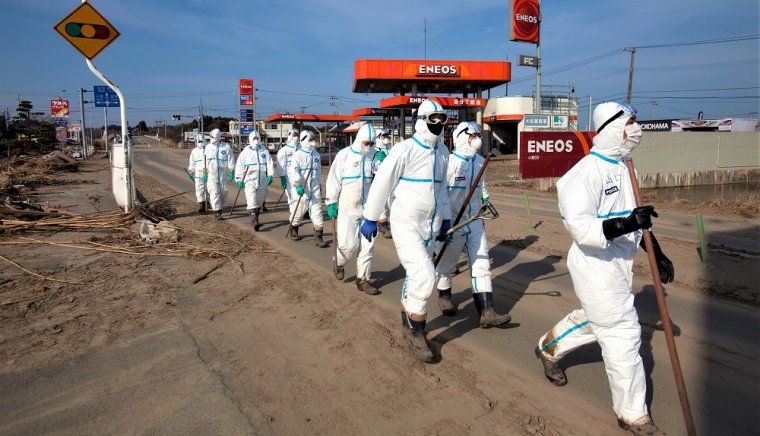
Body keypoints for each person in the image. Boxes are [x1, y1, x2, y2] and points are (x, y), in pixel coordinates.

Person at [534, 102, 673, 436]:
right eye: (631, 122)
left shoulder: (624, 168)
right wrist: (626, 223)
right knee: (622, 334)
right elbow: (581, 229)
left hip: (619, 265)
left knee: (598, 320)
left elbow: (635, 221)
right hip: (595, 265)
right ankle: (633, 414)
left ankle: (548, 347)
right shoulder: (581, 175)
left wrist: (656, 250)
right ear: (611, 127)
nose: (636, 128)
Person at [360, 99, 452, 363]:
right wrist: (371, 217)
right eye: (434, 119)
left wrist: (445, 220)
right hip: (406, 223)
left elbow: (441, 190)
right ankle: (416, 331)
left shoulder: (443, 152)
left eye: (443, 119)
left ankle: (407, 315)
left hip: (431, 225)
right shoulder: (404, 150)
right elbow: (382, 184)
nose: (439, 125)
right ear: (421, 120)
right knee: (425, 276)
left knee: (417, 275)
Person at [434, 121, 511, 327]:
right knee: (446, 264)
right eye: (471, 135)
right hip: (453, 224)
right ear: (461, 137)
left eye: (477, 135)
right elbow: (439, 195)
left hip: (475, 221)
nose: (475, 139)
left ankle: (486, 311)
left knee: (482, 265)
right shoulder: (448, 163)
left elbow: (481, 185)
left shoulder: (479, 161)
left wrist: (485, 199)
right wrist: (441, 225)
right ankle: (444, 297)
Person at [325, 122, 379, 295]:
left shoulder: (375, 156)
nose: (368, 146)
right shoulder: (344, 155)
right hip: (348, 208)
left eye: (371, 144)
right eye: (366, 143)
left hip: (368, 209)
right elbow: (333, 179)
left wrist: (384, 161)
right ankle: (338, 261)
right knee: (349, 246)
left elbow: (384, 178)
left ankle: (363, 279)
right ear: (359, 140)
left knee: (367, 246)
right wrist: (331, 201)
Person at [287, 130, 328, 247]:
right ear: (303, 140)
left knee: (317, 212)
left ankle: (319, 237)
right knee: (298, 214)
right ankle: (294, 227)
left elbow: (319, 172)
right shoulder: (297, 155)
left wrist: (319, 185)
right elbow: (293, 171)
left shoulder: (316, 155)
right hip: (301, 189)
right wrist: (297, 184)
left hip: (314, 189)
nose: (313, 142)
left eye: (313, 139)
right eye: (310, 140)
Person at [234, 130, 274, 230]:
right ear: (250, 139)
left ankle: (254, 217)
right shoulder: (245, 152)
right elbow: (239, 166)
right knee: (251, 199)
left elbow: (269, 163)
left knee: (259, 201)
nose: (256, 140)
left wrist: (270, 175)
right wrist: (239, 179)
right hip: (249, 180)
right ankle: (256, 221)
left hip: (262, 180)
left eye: (257, 138)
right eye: (254, 139)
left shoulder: (264, 150)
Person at [204, 128, 235, 220]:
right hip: (211, 174)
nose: (211, 138)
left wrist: (231, 171)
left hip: (223, 175)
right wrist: (204, 173)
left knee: (224, 194)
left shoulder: (226, 147)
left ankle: (218, 205)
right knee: (214, 193)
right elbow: (204, 161)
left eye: (212, 136)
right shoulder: (208, 147)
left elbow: (231, 160)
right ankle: (217, 212)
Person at [372, 128, 394, 239]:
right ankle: (384, 225)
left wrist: (387, 160)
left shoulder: (392, 149)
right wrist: (378, 162)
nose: (386, 138)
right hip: (378, 179)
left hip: (392, 180)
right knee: (381, 202)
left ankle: (387, 223)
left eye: (387, 136)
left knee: (392, 202)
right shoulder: (373, 150)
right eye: (383, 136)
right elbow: (371, 168)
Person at [276, 128, 299, 214]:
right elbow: (281, 165)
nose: (295, 137)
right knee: (291, 195)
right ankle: (292, 211)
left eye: (296, 135)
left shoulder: (301, 148)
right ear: (289, 136)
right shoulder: (284, 150)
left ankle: (303, 211)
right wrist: (282, 177)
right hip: (289, 177)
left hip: (301, 176)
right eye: (293, 135)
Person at [187, 133, 208, 214]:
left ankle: (208, 202)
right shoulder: (194, 151)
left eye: (201, 140)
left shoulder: (208, 149)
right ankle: (202, 204)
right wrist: (191, 172)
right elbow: (192, 162)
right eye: (198, 141)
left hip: (208, 171)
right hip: (198, 172)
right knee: (199, 188)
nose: (200, 142)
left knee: (209, 188)